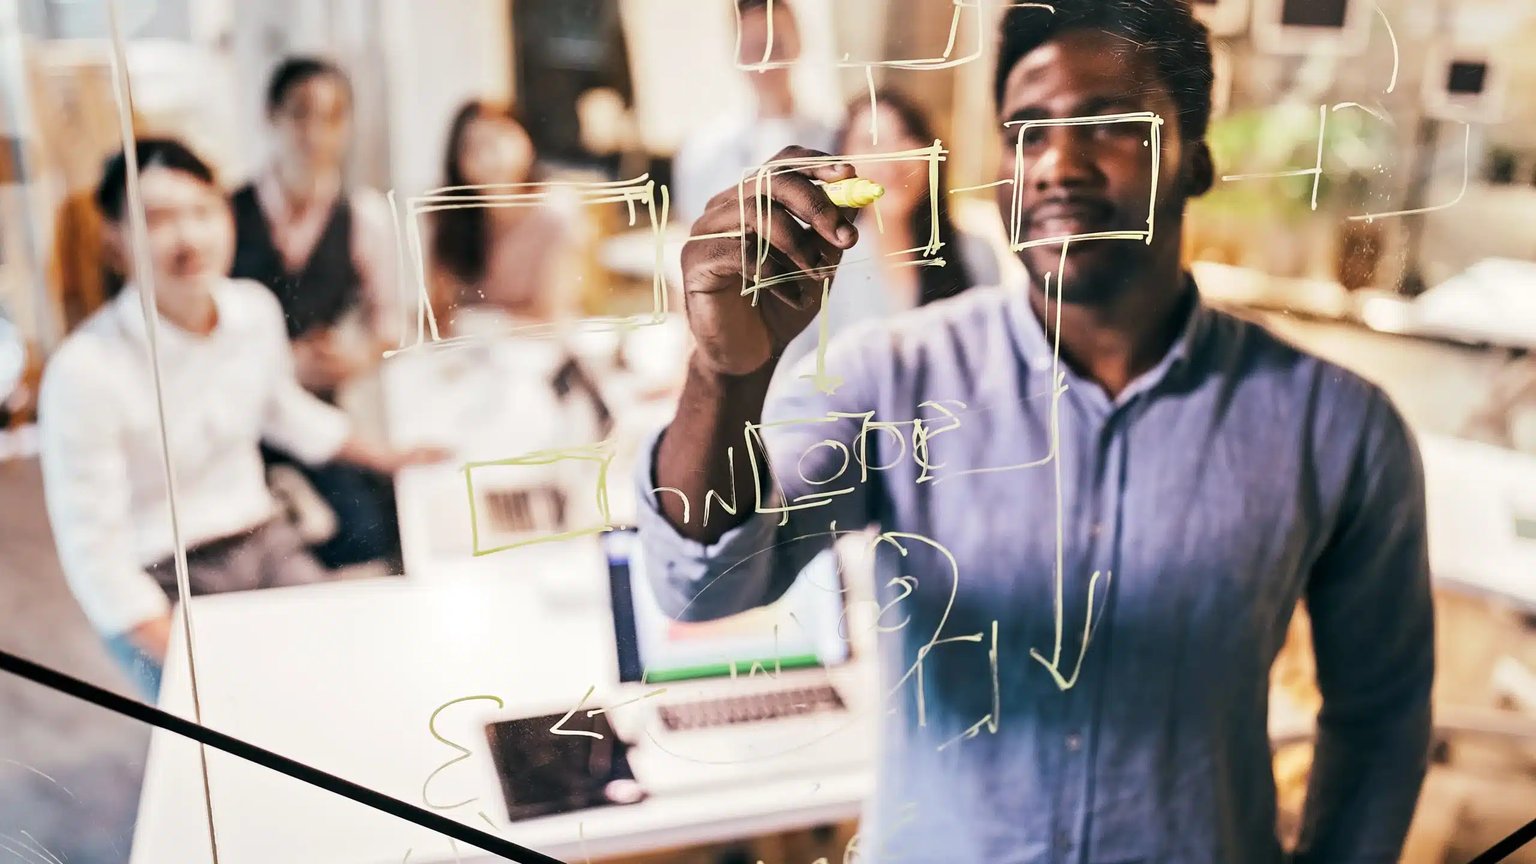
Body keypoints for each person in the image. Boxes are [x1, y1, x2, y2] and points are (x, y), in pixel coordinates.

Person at [639, 1, 1434, 862]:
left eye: (1109, 125)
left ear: (1195, 159)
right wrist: (725, 378)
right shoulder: (890, 377)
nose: (1057, 162)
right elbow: (703, 586)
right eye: (1028, 130)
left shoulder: (1336, 429)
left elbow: (1379, 714)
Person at [38, 139, 439, 699]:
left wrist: (393, 456)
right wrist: (196, 667)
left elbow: (283, 411)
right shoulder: (83, 372)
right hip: (162, 579)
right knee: (242, 729)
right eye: (157, 219)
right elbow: (95, 557)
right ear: (114, 241)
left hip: (264, 541)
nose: (188, 237)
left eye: (202, 211)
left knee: (356, 675)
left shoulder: (252, 309)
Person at [231, 56, 403, 570]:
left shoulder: (364, 218)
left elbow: (389, 322)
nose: (315, 134)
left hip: (319, 414)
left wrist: (357, 356)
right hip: (238, 420)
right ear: (270, 116)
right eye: (300, 114)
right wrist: (283, 362)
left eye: (332, 118)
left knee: (377, 527)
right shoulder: (225, 214)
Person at [775, 88, 1000, 379]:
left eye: (905, 137)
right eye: (871, 144)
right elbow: (789, 379)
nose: (891, 158)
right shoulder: (818, 259)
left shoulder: (976, 253)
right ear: (840, 164)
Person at [671, 0, 835, 225]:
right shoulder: (702, 152)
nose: (765, 63)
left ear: (797, 43)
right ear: (738, 53)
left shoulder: (835, 140)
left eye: (775, 46)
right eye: (754, 49)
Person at [429, 100, 581, 334]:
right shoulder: (447, 216)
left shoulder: (555, 211)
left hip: (537, 352)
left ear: (524, 138)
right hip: (468, 357)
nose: (490, 155)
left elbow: (552, 315)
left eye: (499, 137)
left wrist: (486, 324)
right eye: (474, 146)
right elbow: (439, 313)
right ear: (459, 162)